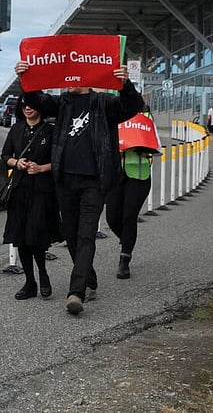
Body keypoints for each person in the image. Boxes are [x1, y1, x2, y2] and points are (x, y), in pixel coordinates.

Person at [16, 60, 143, 316]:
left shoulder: (104, 103)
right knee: (71, 235)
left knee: (86, 234)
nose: (71, 80)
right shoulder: (61, 104)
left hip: (94, 182)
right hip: (65, 181)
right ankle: (89, 278)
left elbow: (132, 107)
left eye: (78, 76)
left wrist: (125, 84)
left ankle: (76, 293)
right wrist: (26, 78)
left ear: (89, 78)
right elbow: (36, 100)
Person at [0, 96, 61, 300]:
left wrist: (41, 168)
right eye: (24, 105)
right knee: (21, 237)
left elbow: (61, 160)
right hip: (19, 189)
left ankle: (43, 275)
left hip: (42, 191)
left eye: (32, 104)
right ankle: (29, 281)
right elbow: (5, 155)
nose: (27, 108)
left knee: (36, 235)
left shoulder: (51, 130)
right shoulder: (16, 129)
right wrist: (16, 163)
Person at [105, 106, 155, 280]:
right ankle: (127, 239)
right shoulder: (110, 114)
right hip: (114, 173)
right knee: (111, 218)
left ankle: (125, 258)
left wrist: (139, 142)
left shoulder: (146, 117)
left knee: (129, 216)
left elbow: (153, 143)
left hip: (139, 174)